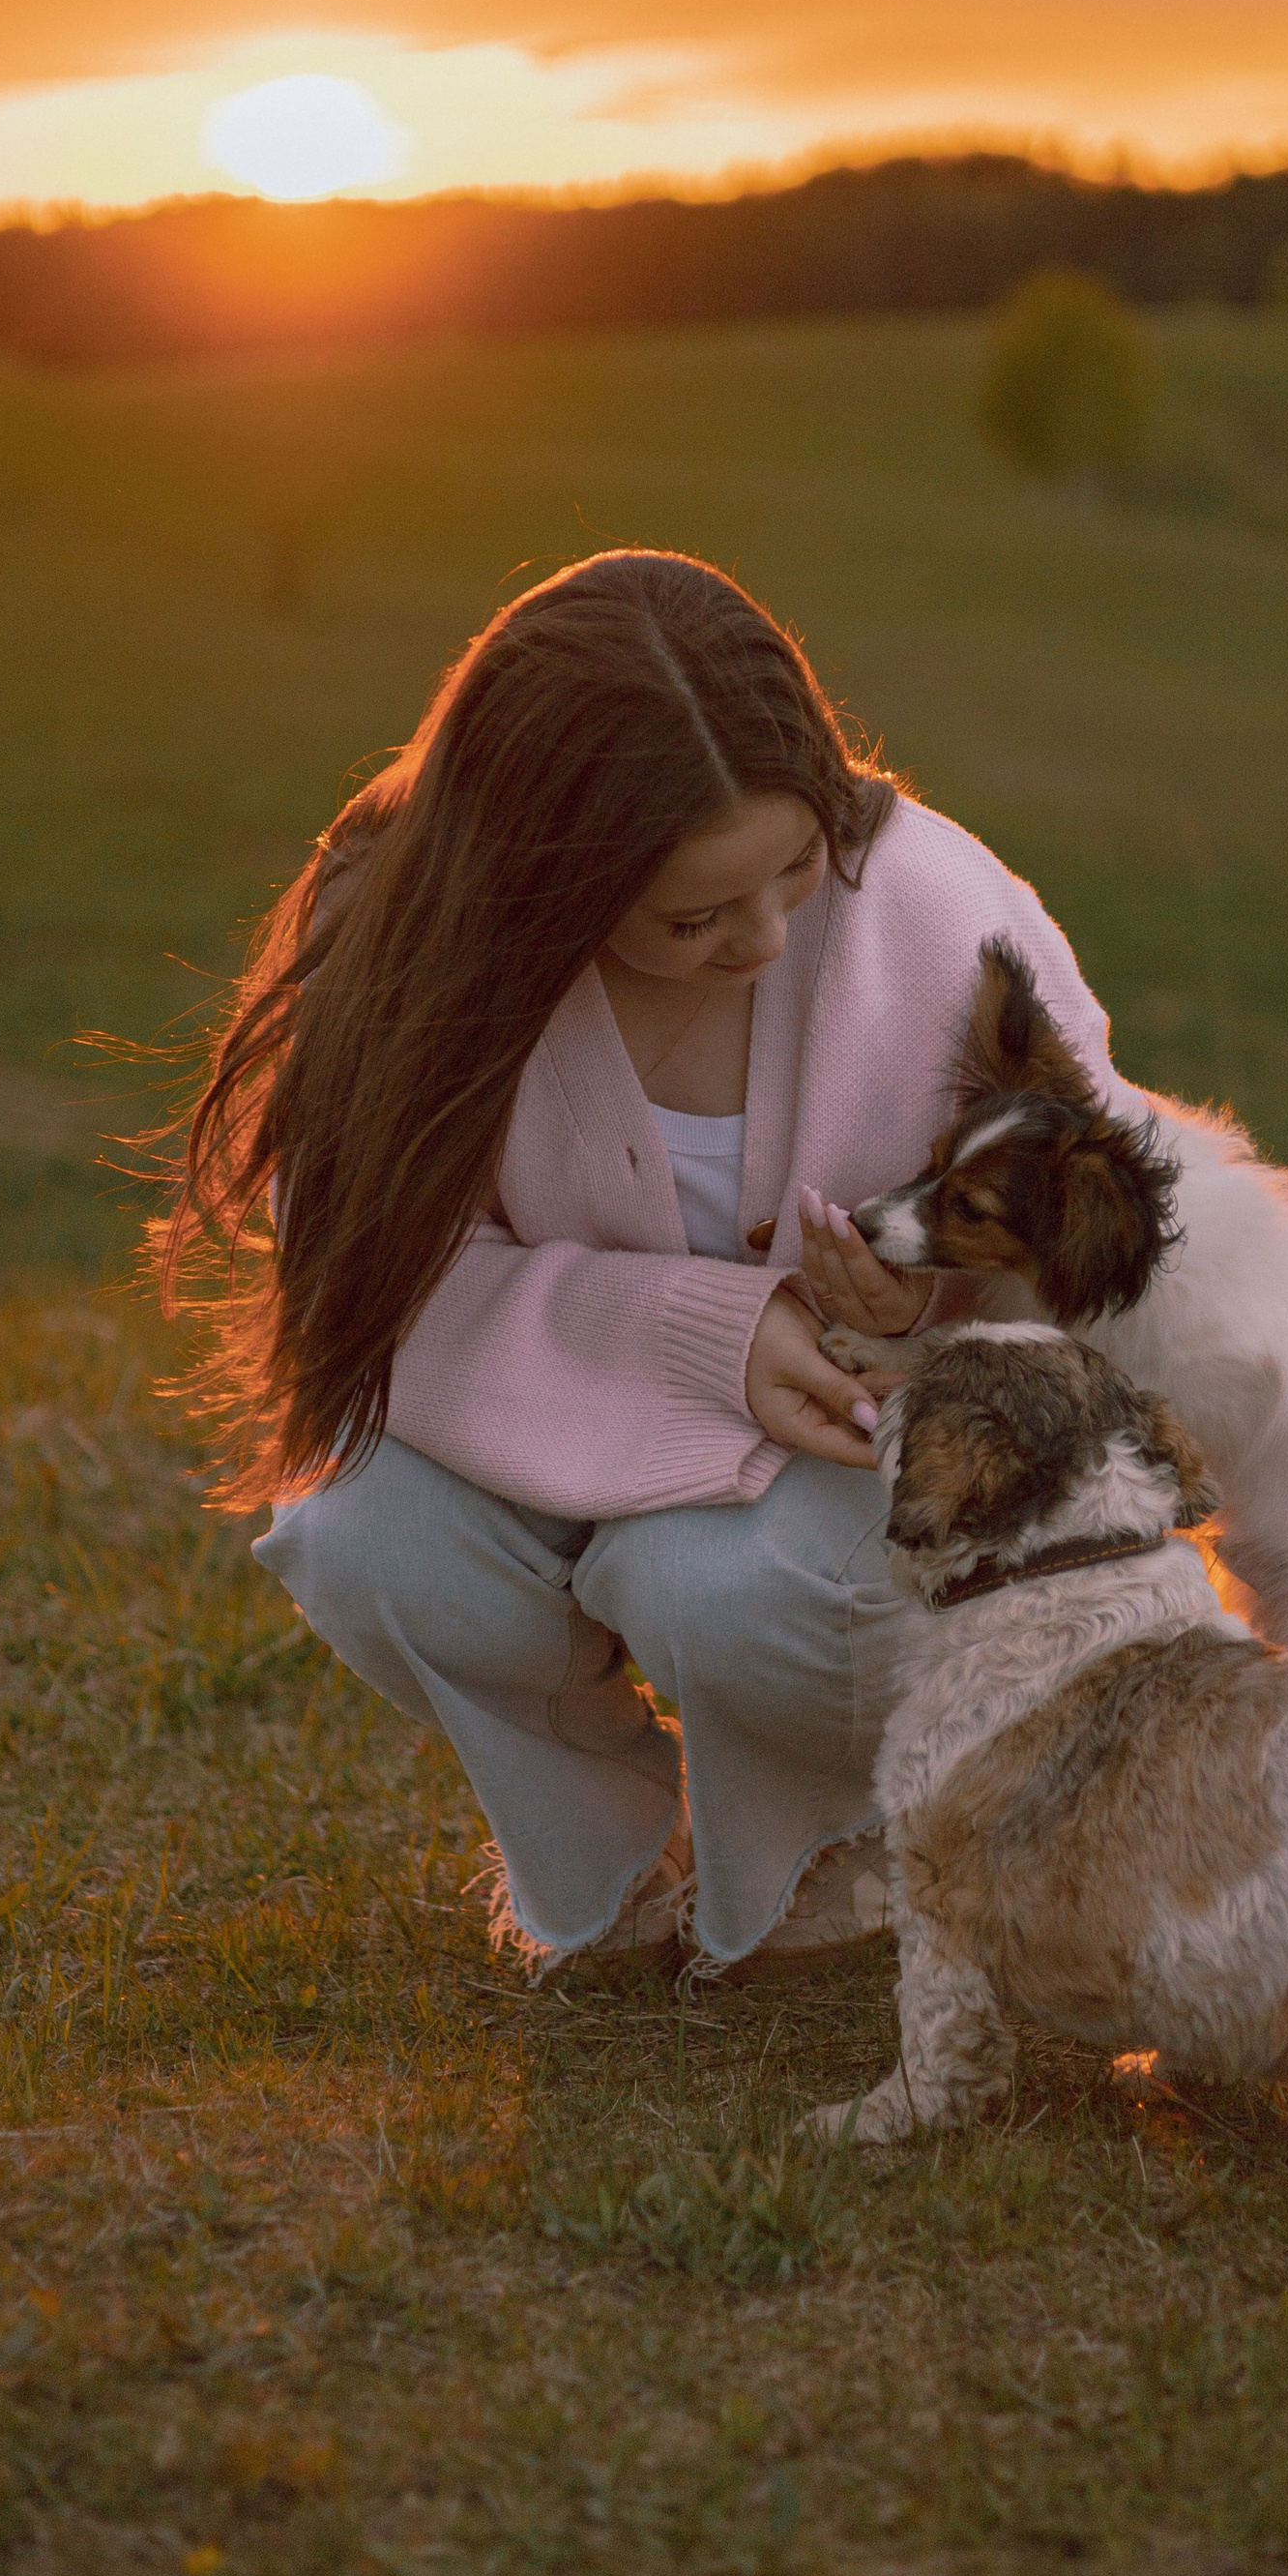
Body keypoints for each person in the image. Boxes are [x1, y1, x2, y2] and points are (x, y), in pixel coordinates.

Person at [168, 547, 1127, 1978]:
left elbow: (1105, 1244)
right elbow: (370, 1290)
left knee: (707, 1581)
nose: (767, 936)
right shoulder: (400, 934)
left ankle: (831, 1853)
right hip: (540, 1429)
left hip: (871, 1470)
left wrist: (923, 1299)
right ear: (546, 884)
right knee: (365, 1528)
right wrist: (703, 1336)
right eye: (694, 919)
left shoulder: (941, 911)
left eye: (798, 869)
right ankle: (611, 1866)